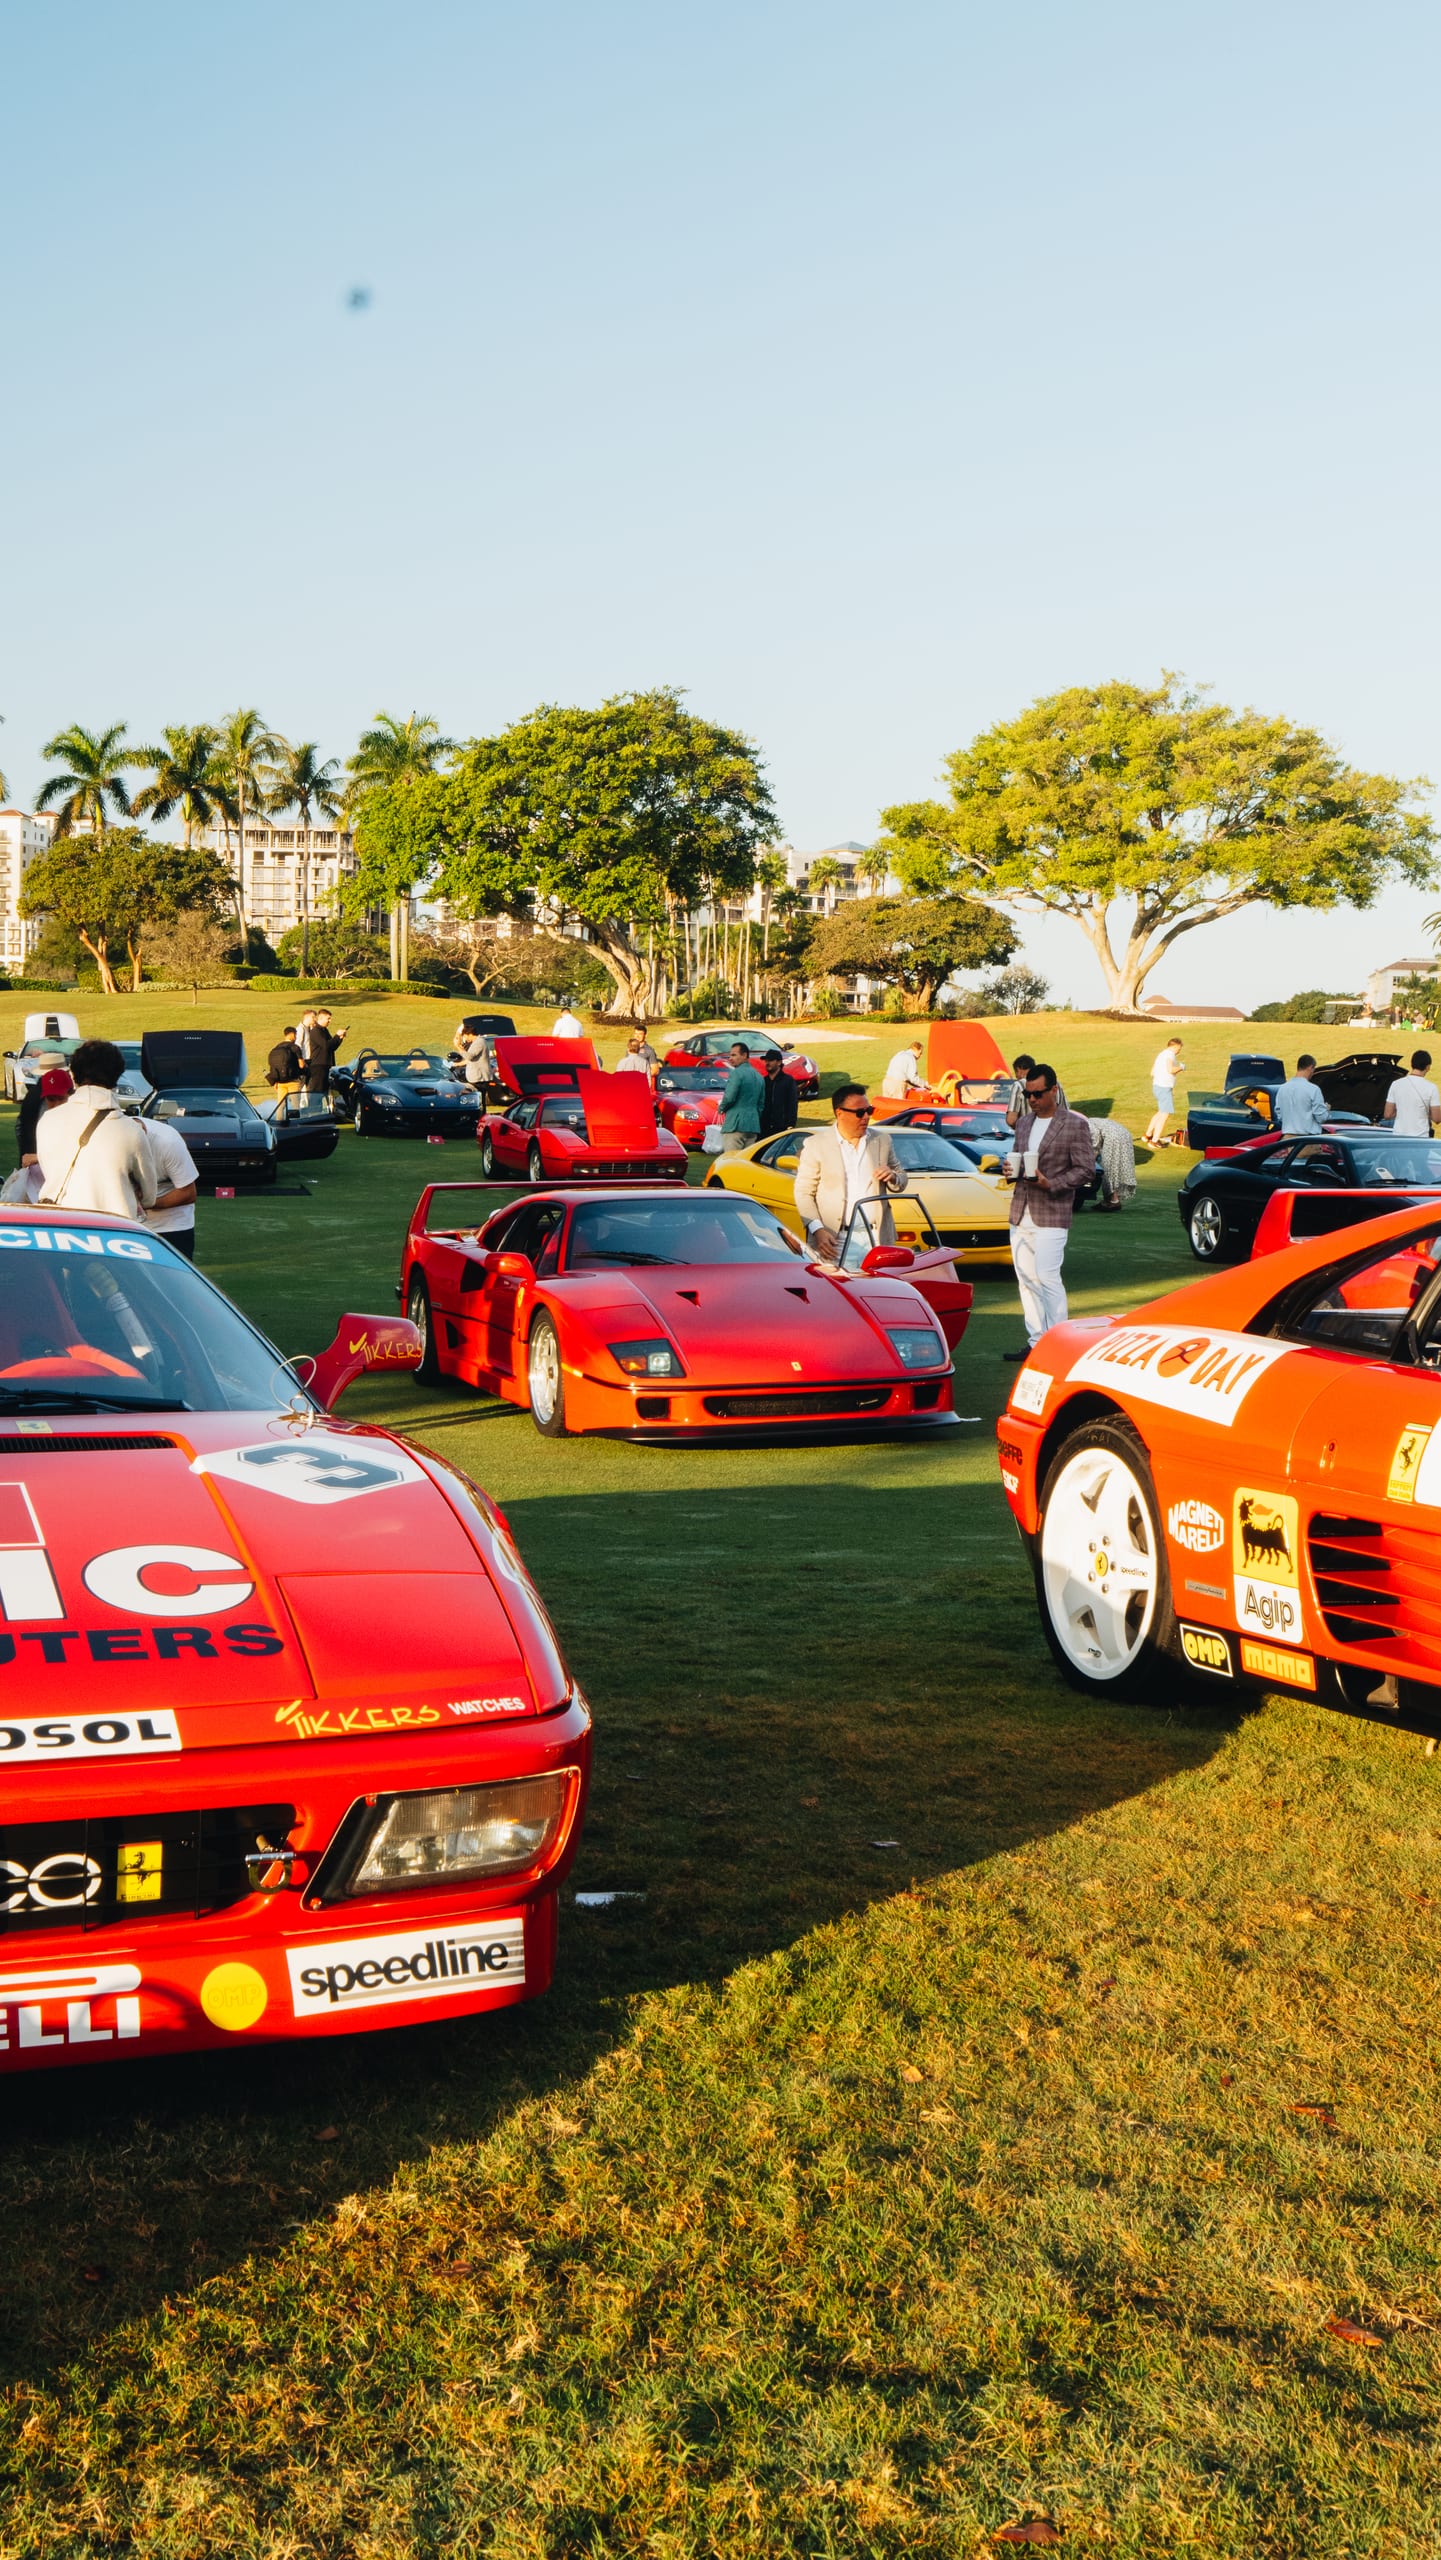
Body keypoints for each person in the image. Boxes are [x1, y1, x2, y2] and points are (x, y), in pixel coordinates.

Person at [1002, 1063, 1098, 1356]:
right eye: (1028, 1094)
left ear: (1054, 1090)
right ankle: (1035, 1342)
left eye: (1038, 1094)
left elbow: (1086, 1171)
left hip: (1053, 1213)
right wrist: (1009, 1169)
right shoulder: (1024, 1123)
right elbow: (1019, 1161)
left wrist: (1050, 1183)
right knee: (1026, 1280)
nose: (1032, 1100)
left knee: (1047, 1276)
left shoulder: (1074, 1124)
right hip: (1021, 1211)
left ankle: (1060, 1345)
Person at [36, 1039, 159, 1220]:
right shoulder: (130, 1130)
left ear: (74, 1075)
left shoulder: (48, 1120)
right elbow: (149, 1195)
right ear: (117, 1075)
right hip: (113, 1229)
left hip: (59, 1224)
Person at [795, 1083, 908, 1263]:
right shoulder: (816, 1145)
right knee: (838, 1290)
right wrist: (818, 1230)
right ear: (839, 1113)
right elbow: (803, 1193)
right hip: (834, 1241)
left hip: (877, 1239)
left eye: (869, 1110)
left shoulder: (882, 1140)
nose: (866, 1117)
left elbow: (901, 1178)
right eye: (859, 1113)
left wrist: (893, 1176)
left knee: (878, 1290)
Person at [140, 1111, 200, 1259]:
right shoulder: (110, 1141)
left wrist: (145, 1203)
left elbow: (188, 1193)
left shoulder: (167, 1142)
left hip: (172, 1226)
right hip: (130, 1225)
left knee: (176, 1279)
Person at [718, 1041, 765, 1153]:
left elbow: (729, 1097)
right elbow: (761, 1104)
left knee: (731, 1161)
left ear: (744, 1055)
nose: (730, 1058)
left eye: (734, 1055)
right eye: (730, 1055)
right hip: (753, 1125)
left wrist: (721, 1108)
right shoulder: (759, 1076)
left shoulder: (736, 1073)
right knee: (745, 1164)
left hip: (735, 1124)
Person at [1383, 1050, 1441, 1136]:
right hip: (1421, 1139)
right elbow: (1437, 1118)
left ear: (1412, 1064)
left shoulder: (1396, 1084)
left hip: (1398, 1137)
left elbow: (1387, 1115)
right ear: (1428, 1067)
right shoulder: (1431, 1088)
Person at [1144, 1036, 1185, 1146]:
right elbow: (1170, 1070)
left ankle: (1147, 1135)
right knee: (1165, 1114)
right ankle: (1154, 1141)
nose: (1179, 1051)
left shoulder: (1161, 1054)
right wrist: (1181, 1067)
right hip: (1164, 1087)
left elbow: (1152, 1072)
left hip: (1157, 1086)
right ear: (1174, 1046)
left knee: (1161, 1111)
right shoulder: (1170, 1055)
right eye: (1179, 1048)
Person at [1274, 1054, 1329, 1135]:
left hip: (1288, 1140)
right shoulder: (1313, 1089)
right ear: (1310, 1067)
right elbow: (1321, 1118)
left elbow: (1279, 1115)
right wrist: (1326, 1110)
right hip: (1308, 1140)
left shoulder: (1282, 1089)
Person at [303, 1008, 347, 1109]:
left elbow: (332, 1047)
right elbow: (326, 1045)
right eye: (328, 1019)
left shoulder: (324, 1030)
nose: (330, 1021)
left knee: (325, 1092)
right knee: (316, 1093)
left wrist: (340, 1039)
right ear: (321, 1018)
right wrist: (336, 1035)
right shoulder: (316, 1031)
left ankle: (323, 1113)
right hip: (318, 1066)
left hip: (326, 1066)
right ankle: (314, 1113)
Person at [759, 1049, 798, 1137]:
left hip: (781, 1126)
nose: (767, 1063)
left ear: (779, 1062)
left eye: (771, 1060)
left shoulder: (788, 1081)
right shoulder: (763, 1081)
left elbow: (792, 1102)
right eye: (766, 1060)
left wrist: (791, 1123)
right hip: (764, 1127)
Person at [266, 1025, 305, 1101]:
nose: (296, 1037)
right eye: (295, 1035)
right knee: (295, 1104)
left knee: (281, 1105)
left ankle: (279, 1114)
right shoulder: (295, 1047)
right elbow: (301, 1065)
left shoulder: (276, 1048)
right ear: (292, 1034)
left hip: (280, 1082)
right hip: (293, 1081)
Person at [1005, 1054, 1037, 1129]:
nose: (1016, 1076)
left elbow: (1011, 1120)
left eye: (1016, 1072)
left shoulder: (1019, 1085)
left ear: (1020, 1069)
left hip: (1028, 1135)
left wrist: (1021, 1130)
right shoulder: (1055, 1084)